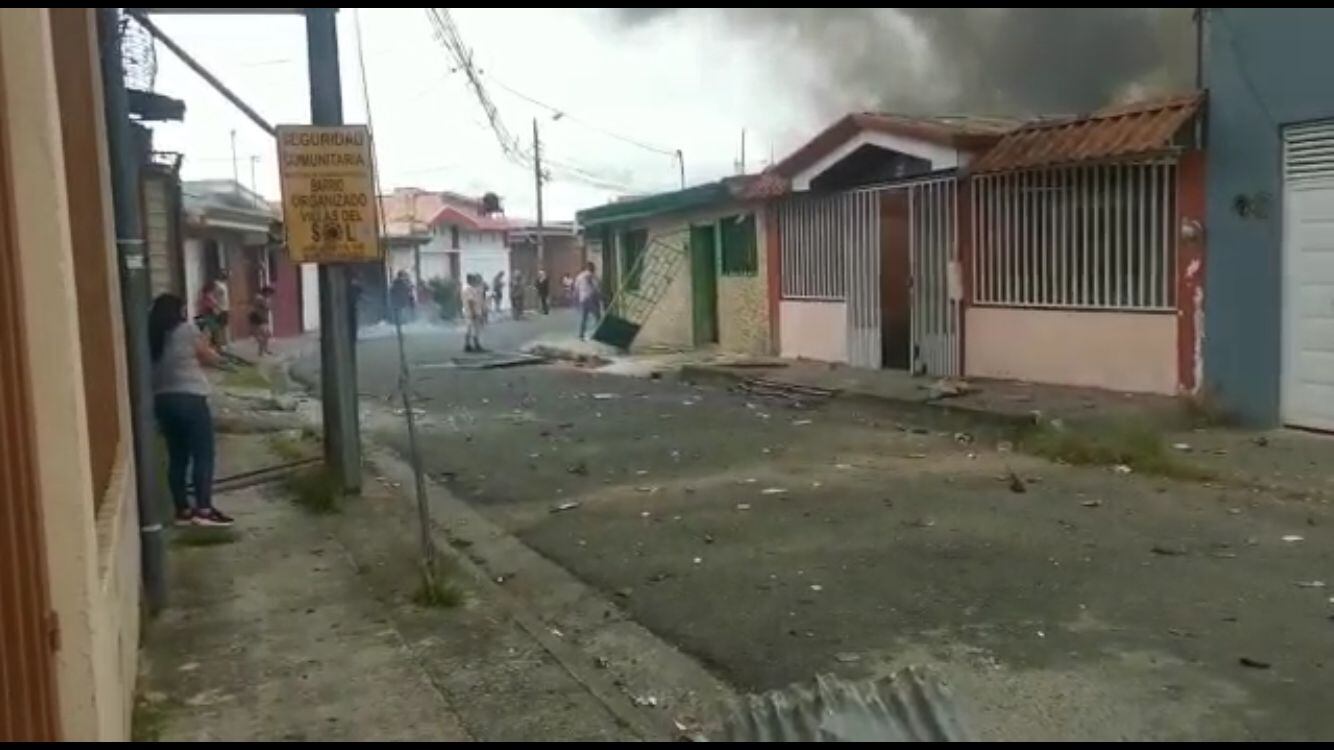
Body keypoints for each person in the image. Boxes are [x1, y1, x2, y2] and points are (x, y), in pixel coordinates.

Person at [149, 293, 233, 527]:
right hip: (191, 397)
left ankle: (182, 511)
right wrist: (218, 355)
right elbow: (206, 356)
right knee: (203, 454)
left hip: (162, 400)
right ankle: (203, 510)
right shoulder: (186, 330)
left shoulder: (151, 335)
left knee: (177, 456)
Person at [574, 261, 602, 340]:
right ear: (591, 268)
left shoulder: (579, 276)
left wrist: (576, 299)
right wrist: (600, 296)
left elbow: (576, 288)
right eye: (594, 268)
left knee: (584, 317)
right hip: (591, 298)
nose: (594, 269)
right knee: (597, 316)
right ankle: (599, 333)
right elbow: (596, 287)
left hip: (583, 299)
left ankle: (581, 334)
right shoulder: (592, 276)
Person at [461, 273, 487, 352]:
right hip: (472, 311)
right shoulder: (468, 289)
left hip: (469, 310)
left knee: (470, 328)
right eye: (473, 279)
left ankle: (468, 345)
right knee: (475, 328)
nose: (474, 281)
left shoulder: (467, 288)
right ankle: (475, 345)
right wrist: (473, 312)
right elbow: (470, 301)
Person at [248, 285, 275, 357]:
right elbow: (263, 308)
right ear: (265, 292)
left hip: (263, 319)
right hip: (257, 319)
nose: (270, 295)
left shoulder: (265, 299)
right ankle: (261, 352)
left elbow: (266, 309)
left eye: (271, 293)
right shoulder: (259, 298)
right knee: (261, 336)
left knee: (267, 335)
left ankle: (265, 350)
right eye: (269, 293)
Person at [211, 271, 231, 349]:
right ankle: (221, 343)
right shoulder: (218, 285)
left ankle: (224, 342)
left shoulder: (223, 285)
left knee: (224, 326)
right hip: (220, 308)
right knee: (220, 327)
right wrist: (216, 306)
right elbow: (215, 296)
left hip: (224, 308)